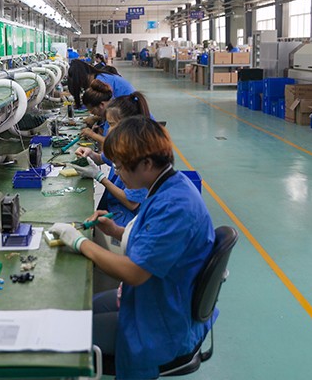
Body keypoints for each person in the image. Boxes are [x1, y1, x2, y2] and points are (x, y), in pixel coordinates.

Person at [51, 117, 215, 379]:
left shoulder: (175, 205)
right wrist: (115, 231)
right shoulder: (165, 186)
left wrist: (79, 242)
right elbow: (153, 239)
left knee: (64, 335)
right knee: (79, 309)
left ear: (147, 164)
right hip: (156, 296)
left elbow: (135, 272)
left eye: (120, 167)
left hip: (163, 323)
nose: (117, 173)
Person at [71, 92, 151, 227]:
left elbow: (132, 203)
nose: (108, 131)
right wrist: (90, 154)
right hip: (113, 209)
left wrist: (99, 177)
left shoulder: (140, 154)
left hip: (126, 219)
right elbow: (101, 158)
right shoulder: (120, 144)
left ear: (129, 124)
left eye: (112, 124)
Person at [67, 59, 135, 109]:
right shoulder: (100, 77)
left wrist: (95, 119)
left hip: (129, 109)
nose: (82, 86)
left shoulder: (101, 80)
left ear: (83, 77)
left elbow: (108, 107)